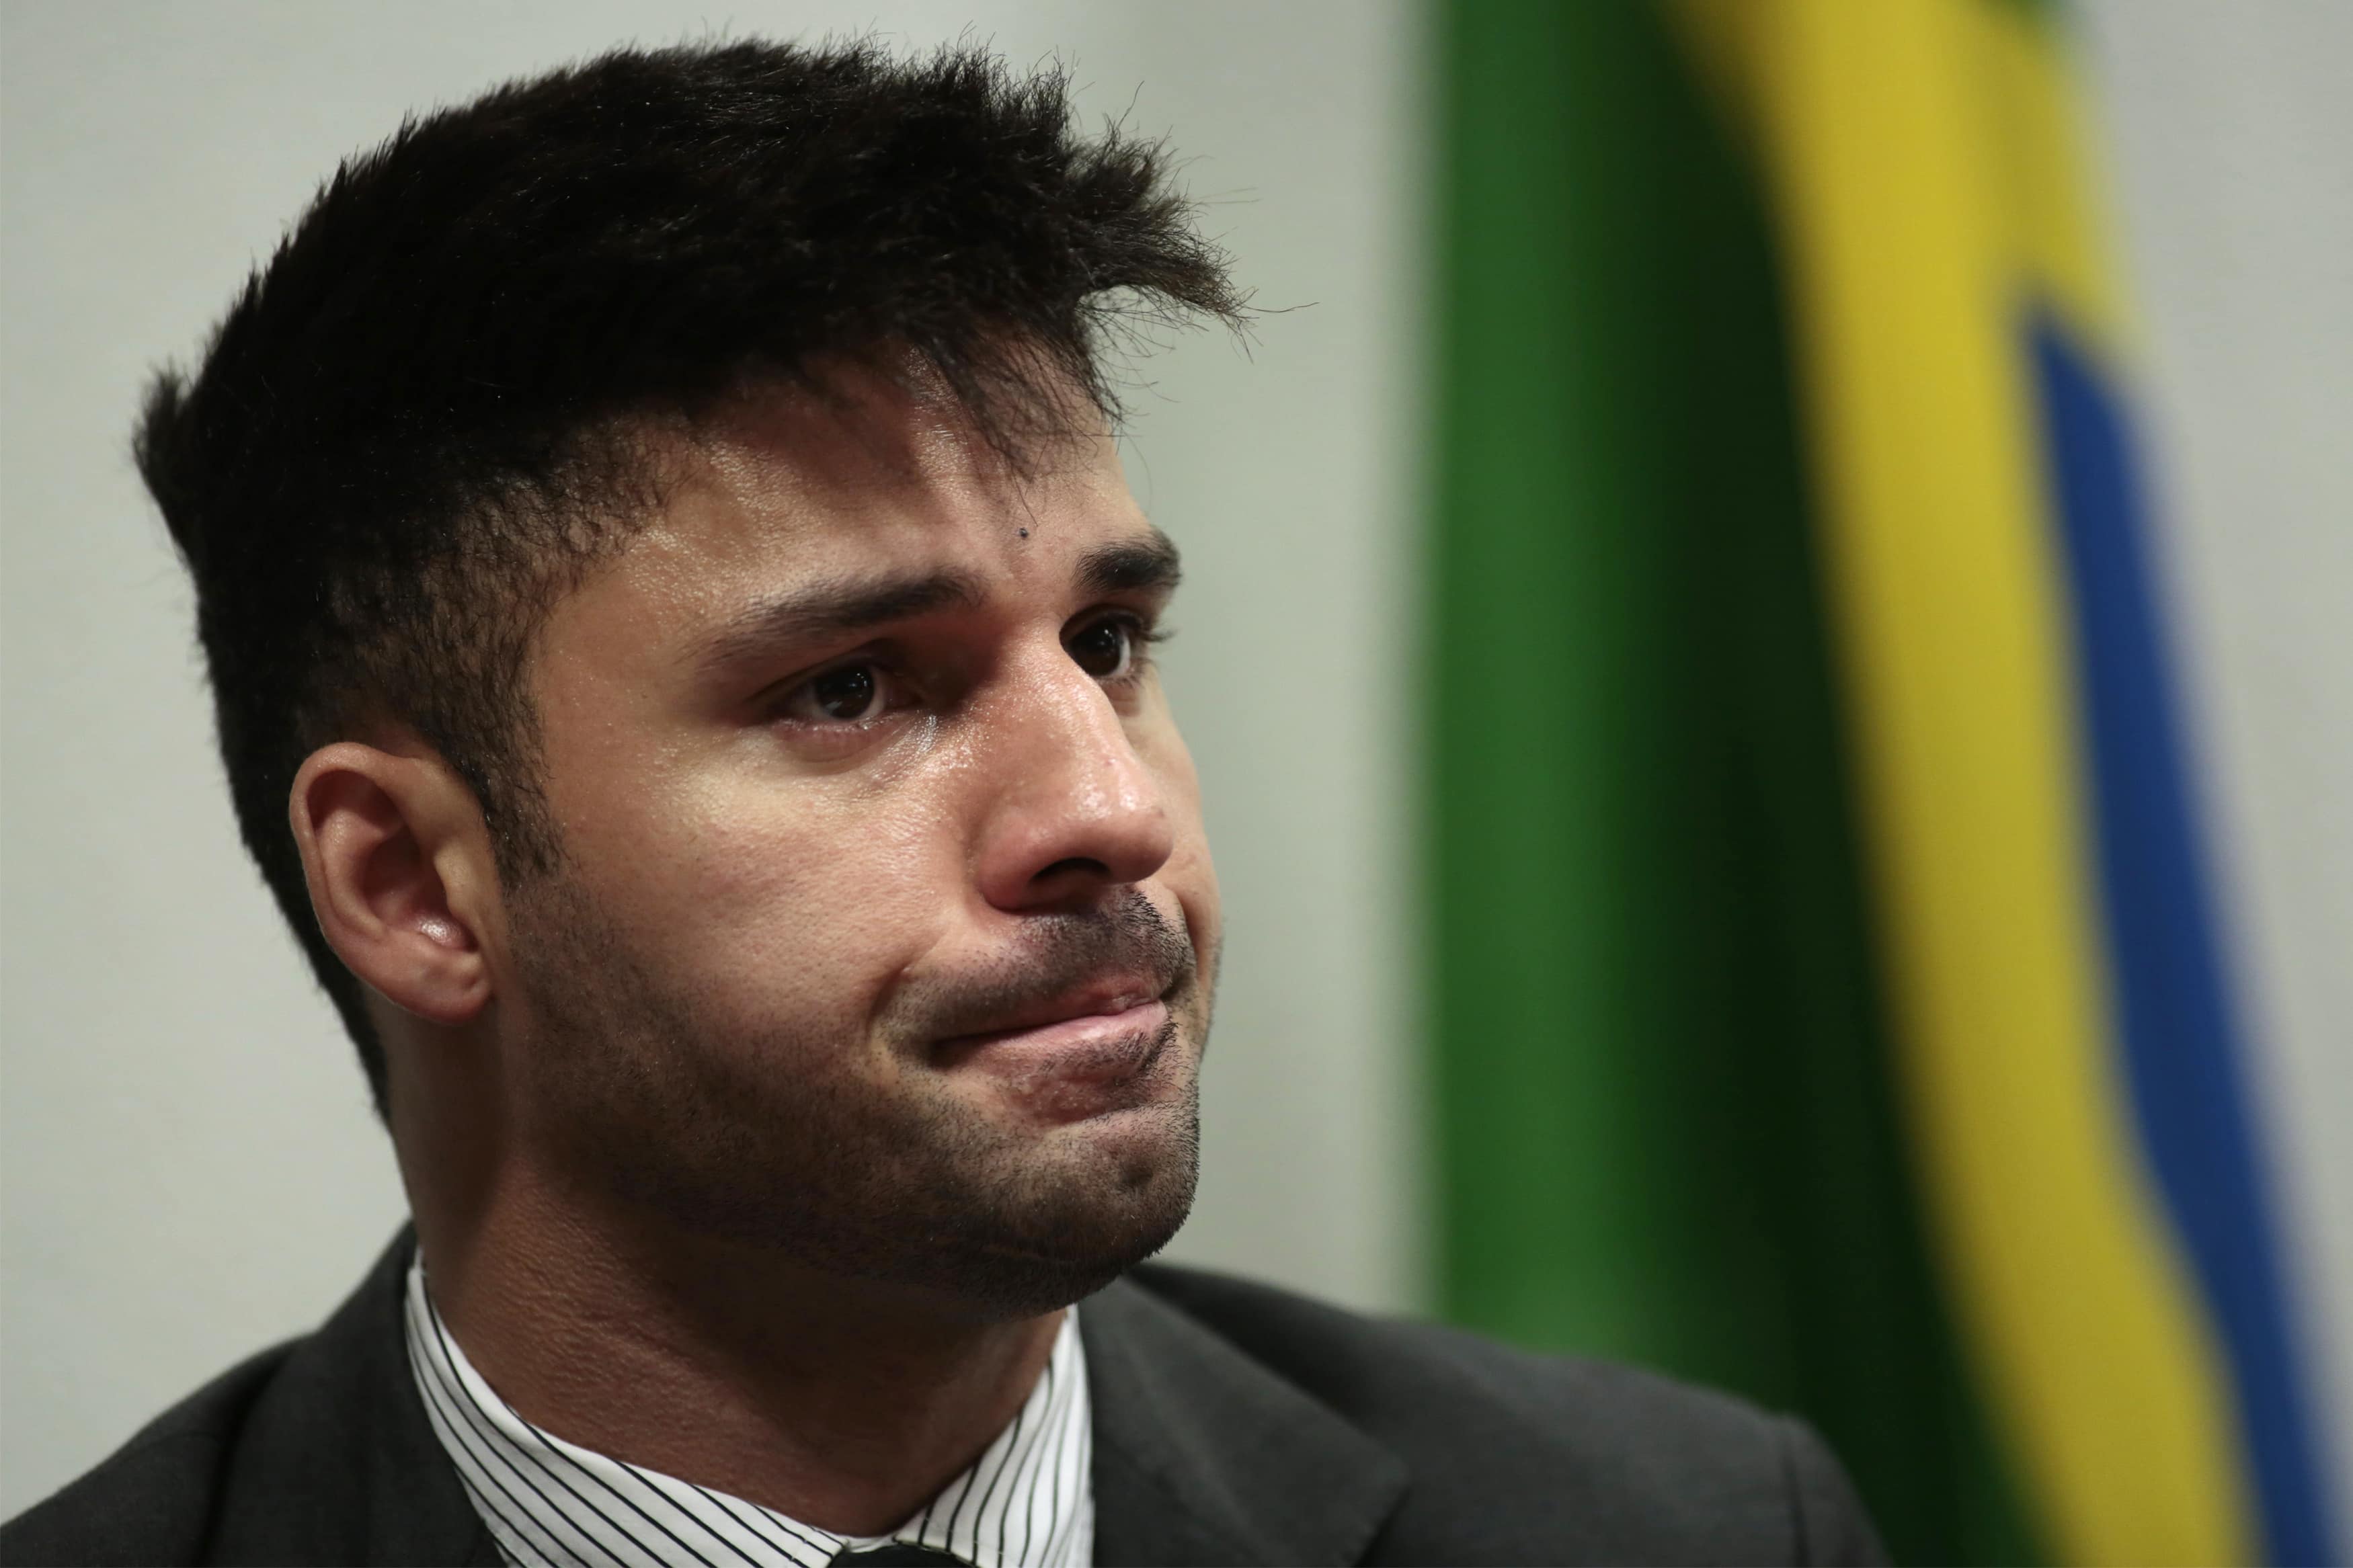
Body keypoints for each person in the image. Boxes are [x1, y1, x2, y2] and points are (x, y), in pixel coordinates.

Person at [1, 38, 1884, 1568]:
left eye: (1112, 638)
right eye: (852, 689)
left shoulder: (1680, 1528)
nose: (1104, 808)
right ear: (414, 879)